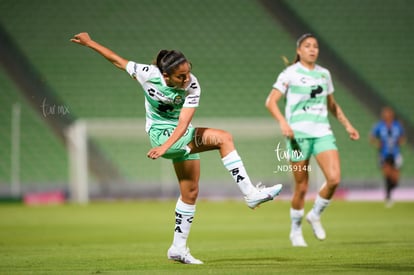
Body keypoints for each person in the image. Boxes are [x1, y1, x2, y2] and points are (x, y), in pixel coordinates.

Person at [71, 32, 282, 264]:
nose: (187, 78)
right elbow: (117, 60)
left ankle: (177, 248)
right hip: (160, 134)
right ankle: (250, 194)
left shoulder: (193, 84)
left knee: (190, 192)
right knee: (223, 138)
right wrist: (90, 43)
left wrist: (166, 147)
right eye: (181, 76)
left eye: (188, 71)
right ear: (165, 76)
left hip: (177, 135)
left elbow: (183, 123)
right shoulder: (147, 74)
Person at [265, 33, 359, 247]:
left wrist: (347, 125)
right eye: (307, 46)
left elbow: (332, 104)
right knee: (302, 186)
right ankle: (295, 230)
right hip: (298, 134)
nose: (312, 49)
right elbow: (270, 101)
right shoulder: (290, 73)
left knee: (334, 178)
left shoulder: (324, 74)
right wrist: (283, 122)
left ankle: (315, 214)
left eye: (315, 46)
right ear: (299, 50)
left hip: (322, 132)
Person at [370, 107, 405, 207]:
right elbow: (372, 137)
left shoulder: (397, 125)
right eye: (385, 114)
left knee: (395, 179)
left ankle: (390, 190)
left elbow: (402, 137)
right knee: (387, 174)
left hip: (396, 153)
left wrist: (400, 142)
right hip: (384, 154)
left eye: (388, 114)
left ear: (392, 115)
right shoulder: (379, 126)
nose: (386, 116)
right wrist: (378, 144)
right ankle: (388, 197)